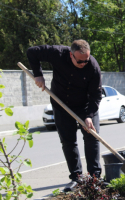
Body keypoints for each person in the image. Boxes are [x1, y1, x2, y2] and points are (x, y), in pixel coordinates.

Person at [27, 40, 102, 192]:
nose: (84, 63)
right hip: (61, 104)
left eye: (86, 60)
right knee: (68, 141)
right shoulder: (58, 53)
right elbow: (32, 52)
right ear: (71, 55)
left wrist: (88, 115)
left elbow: (95, 95)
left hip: (84, 106)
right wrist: (38, 74)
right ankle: (77, 178)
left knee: (92, 136)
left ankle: (95, 178)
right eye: (80, 61)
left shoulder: (93, 67)